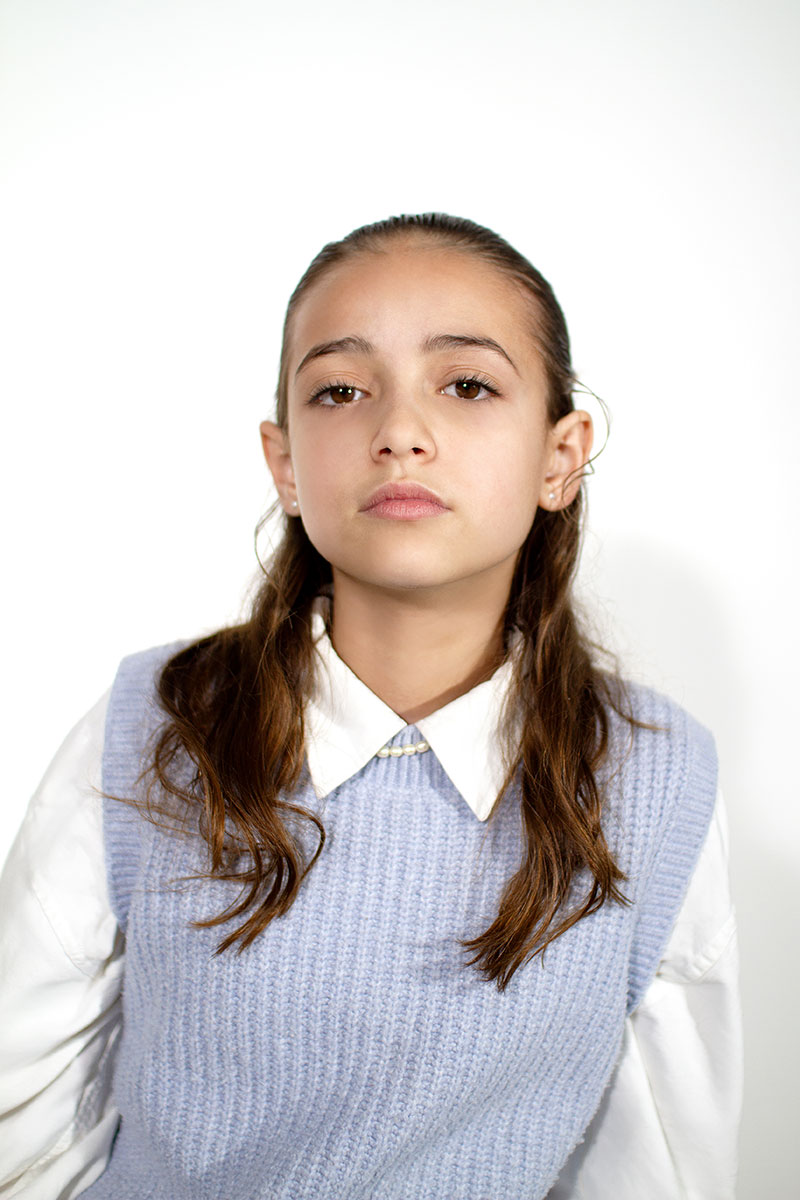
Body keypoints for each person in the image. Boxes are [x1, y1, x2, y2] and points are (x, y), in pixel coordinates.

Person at [0, 213, 741, 1199]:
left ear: (560, 456)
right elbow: (22, 1128)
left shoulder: (656, 776)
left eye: (466, 385)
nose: (399, 432)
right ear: (284, 463)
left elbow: (658, 1172)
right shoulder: (155, 721)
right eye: (341, 390)